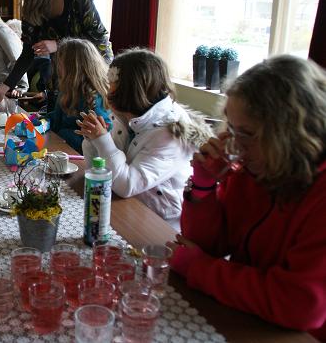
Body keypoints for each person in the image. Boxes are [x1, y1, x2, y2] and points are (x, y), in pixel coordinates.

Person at [166, 56, 326, 340]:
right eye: (231, 128)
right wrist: (203, 185)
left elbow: (300, 305)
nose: (233, 144)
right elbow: (207, 246)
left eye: (247, 134)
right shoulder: (252, 168)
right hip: (249, 316)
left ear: (290, 134)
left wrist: (198, 268)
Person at [77, 49, 212, 227]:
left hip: (158, 222)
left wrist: (102, 139)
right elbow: (99, 170)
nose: (108, 92)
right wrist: (92, 139)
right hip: (128, 206)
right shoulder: (128, 115)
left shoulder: (169, 135)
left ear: (130, 91)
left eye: (112, 85)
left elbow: (127, 186)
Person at [0, 0, 112, 105]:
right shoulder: (30, 7)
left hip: (93, 71)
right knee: (58, 115)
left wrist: (58, 44)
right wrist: (5, 86)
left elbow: (98, 37)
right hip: (64, 72)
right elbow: (28, 53)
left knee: (88, 117)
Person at [49, 38, 111, 154]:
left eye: (61, 62)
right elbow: (58, 118)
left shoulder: (94, 98)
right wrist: (42, 120)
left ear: (73, 67)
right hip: (61, 147)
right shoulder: (67, 89)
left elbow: (101, 138)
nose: (58, 66)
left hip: (79, 155)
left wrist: (63, 135)